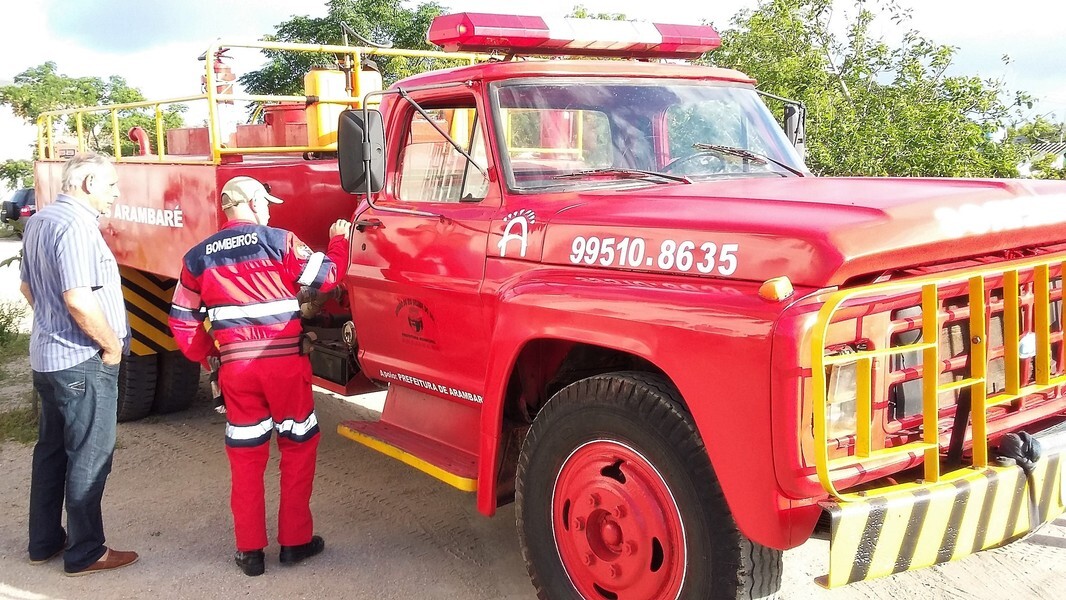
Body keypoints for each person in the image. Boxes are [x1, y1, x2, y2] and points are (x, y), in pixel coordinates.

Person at [168, 175, 350, 576]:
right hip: (285, 367)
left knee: (246, 459)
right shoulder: (278, 240)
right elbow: (327, 278)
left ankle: (250, 552)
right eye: (265, 202)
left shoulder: (197, 258)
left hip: (236, 371)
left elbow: (181, 322)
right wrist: (340, 240)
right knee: (298, 449)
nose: (269, 209)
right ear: (250, 202)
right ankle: (295, 543)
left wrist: (212, 359)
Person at [20, 152, 139, 576]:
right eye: (111, 186)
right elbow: (77, 297)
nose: (116, 194)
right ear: (88, 183)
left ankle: (44, 542)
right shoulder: (75, 226)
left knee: (51, 452)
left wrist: (52, 327)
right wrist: (108, 345)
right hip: (81, 361)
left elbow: (27, 287)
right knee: (91, 455)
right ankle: (86, 551)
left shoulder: (41, 220)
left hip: (49, 359)